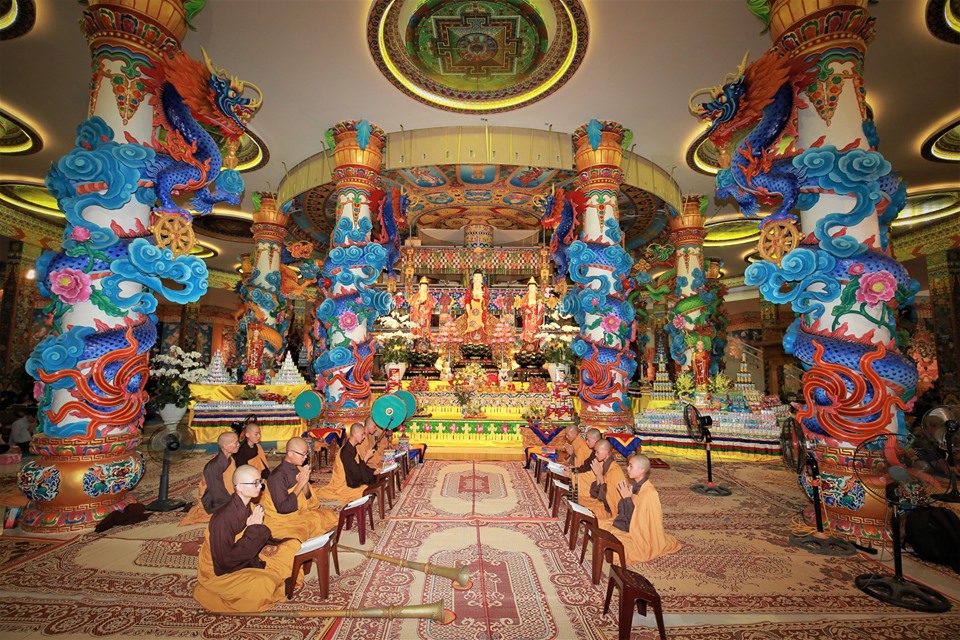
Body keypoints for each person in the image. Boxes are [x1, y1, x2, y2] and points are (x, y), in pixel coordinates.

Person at [193, 464, 301, 613]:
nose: (260, 486)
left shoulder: (249, 506)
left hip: (246, 554)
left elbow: (262, 538)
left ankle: (277, 578)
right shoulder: (223, 519)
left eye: (260, 481)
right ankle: (274, 583)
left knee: (292, 548)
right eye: (255, 483)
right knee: (263, 583)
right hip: (221, 572)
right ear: (239, 487)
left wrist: (277, 543)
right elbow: (224, 562)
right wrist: (253, 531)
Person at [601, 454, 681, 564]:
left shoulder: (649, 493)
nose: (627, 468)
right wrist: (625, 499)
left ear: (642, 470)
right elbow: (626, 514)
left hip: (643, 536)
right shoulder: (635, 486)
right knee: (601, 525)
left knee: (619, 551)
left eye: (631, 466)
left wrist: (627, 499)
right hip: (631, 526)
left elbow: (641, 522)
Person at [261, 437, 338, 541]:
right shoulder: (277, 477)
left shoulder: (297, 468)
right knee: (300, 533)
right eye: (303, 454)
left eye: (306, 454)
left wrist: (304, 483)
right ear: (290, 453)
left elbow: (308, 498)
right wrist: (300, 485)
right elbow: (283, 508)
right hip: (283, 520)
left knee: (329, 515)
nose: (305, 457)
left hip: (299, 512)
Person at [181, 431, 239, 526]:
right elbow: (217, 491)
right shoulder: (213, 466)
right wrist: (233, 504)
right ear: (225, 445)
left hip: (230, 495)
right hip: (213, 501)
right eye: (235, 443)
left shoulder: (230, 459)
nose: (238, 445)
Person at [317, 423, 376, 504]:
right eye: (362, 434)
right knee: (366, 490)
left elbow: (358, 467)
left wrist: (373, 471)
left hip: (351, 479)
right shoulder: (346, 451)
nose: (364, 437)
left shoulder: (352, 448)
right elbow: (354, 473)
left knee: (373, 480)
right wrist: (366, 457)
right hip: (343, 485)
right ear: (354, 433)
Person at [587, 439, 626, 520]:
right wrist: (598, 475)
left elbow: (610, 499)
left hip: (614, 509)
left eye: (597, 452)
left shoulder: (615, 471)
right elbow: (596, 493)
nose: (595, 454)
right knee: (584, 505)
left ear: (606, 451)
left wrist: (600, 475)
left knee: (593, 513)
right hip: (604, 502)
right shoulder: (604, 464)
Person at [462, 269, 490, 340]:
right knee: (471, 322)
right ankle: (471, 338)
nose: (477, 279)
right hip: (472, 307)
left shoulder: (484, 288)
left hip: (480, 307)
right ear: (473, 278)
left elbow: (487, 298)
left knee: (481, 322)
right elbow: (467, 299)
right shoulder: (471, 288)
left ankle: (481, 338)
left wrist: (483, 301)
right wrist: (468, 306)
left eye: (479, 277)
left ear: (481, 278)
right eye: (476, 277)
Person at [518, 278, 544, 350]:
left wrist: (540, 305)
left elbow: (542, 306)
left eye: (533, 287)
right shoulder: (526, 296)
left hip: (535, 316)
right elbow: (522, 304)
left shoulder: (538, 296)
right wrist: (526, 309)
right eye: (530, 287)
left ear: (535, 288)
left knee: (535, 330)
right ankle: (526, 344)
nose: (531, 288)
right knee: (527, 330)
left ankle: (535, 345)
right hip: (528, 317)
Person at [410, 277, 436, 341]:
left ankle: (425, 339)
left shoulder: (429, 296)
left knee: (425, 327)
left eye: (425, 287)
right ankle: (417, 340)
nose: (424, 288)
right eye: (422, 287)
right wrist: (418, 303)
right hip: (417, 314)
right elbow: (413, 304)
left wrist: (427, 309)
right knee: (417, 326)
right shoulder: (416, 296)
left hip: (426, 314)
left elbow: (432, 304)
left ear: (427, 287)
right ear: (420, 287)